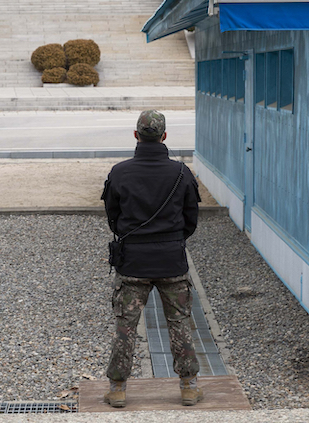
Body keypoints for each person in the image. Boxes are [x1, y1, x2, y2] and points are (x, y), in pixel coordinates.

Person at [101, 110, 203, 408]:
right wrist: (171, 238)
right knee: (180, 322)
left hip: (133, 262)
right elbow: (191, 220)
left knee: (126, 326)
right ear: (164, 136)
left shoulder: (119, 172)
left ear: (136, 135)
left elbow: (113, 218)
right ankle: (189, 387)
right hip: (171, 259)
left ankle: (118, 388)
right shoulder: (181, 173)